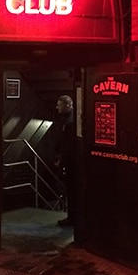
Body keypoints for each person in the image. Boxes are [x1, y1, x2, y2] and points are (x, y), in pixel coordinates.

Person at [53, 95, 77, 227]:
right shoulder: (70, 120)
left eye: (59, 105)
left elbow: (67, 145)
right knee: (71, 191)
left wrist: (61, 162)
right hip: (70, 161)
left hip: (70, 163)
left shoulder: (68, 123)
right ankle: (73, 217)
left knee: (71, 191)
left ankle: (72, 217)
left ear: (67, 106)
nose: (57, 108)